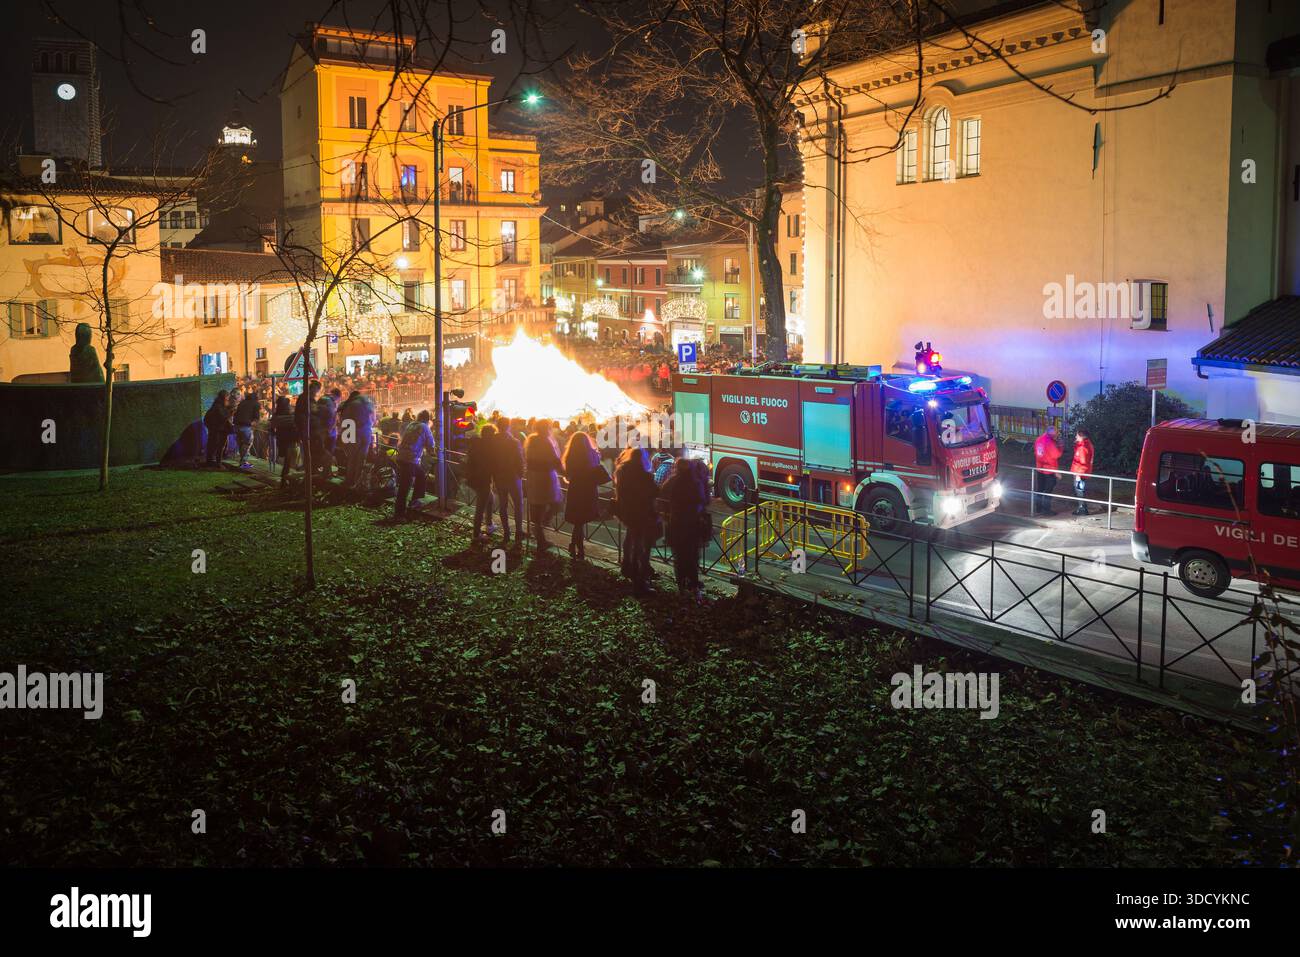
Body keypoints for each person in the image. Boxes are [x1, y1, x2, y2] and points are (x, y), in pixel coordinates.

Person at [613, 446, 659, 596]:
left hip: (626, 511)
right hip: (641, 513)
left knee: (630, 537)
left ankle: (627, 565)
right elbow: (655, 492)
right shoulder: (645, 476)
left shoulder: (622, 472)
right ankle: (639, 579)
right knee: (640, 545)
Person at [660, 457, 708, 594]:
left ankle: (681, 585)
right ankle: (693, 583)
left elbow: (662, 497)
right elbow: (703, 501)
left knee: (679, 556)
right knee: (692, 555)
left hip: (675, 523)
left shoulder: (671, 482)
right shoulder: (695, 482)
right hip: (692, 524)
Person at [562, 431, 609, 560]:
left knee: (578, 521)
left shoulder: (570, 455)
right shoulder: (593, 454)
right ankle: (579, 549)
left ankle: (575, 546)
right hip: (588, 489)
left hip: (576, 489)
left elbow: (567, 474)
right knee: (580, 521)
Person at [525, 431, 563, 549]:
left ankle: (539, 532)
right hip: (545, 479)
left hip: (533, 478)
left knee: (537, 508)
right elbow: (555, 460)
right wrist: (564, 472)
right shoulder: (546, 442)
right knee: (555, 504)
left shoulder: (531, 441)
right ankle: (540, 534)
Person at [394, 410, 435, 519]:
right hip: (410, 459)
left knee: (420, 475)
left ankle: (413, 501)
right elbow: (431, 444)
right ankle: (399, 514)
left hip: (401, 456)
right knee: (405, 486)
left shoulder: (412, 425)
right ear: (427, 419)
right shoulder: (424, 427)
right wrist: (432, 451)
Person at [490, 420, 526, 544]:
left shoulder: (493, 441)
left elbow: (492, 460)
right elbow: (520, 460)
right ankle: (518, 532)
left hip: (499, 477)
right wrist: (521, 474)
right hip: (513, 477)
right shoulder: (514, 442)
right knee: (518, 505)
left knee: (503, 505)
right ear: (508, 426)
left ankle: (506, 532)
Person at [465, 424, 498, 541]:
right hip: (482, 480)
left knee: (490, 499)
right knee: (480, 506)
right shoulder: (488, 447)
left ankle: (489, 524)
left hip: (473, 478)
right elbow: (490, 465)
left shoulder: (477, 443)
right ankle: (476, 534)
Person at [339, 390, 376, 488]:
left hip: (353, 431)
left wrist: (344, 437)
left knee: (352, 458)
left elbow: (345, 421)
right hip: (366, 431)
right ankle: (357, 481)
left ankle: (349, 480)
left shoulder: (350, 404)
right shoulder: (368, 403)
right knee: (361, 458)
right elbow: (374, 419)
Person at [1032, 425, 1062, 516]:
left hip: (1040, 468)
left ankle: (1038, 508)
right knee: (1048, 491)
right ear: (1052, 434)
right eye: (1056, 433)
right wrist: (1060, 446)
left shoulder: (1039, 439)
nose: (1057, 435)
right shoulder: (1050, 442)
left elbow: (1036, 452)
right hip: (1049, 471)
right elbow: (1056, 455)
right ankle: (1047, 510)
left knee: (1040, 489)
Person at [271, 395, 297, 487]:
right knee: (289, 460)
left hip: (281, 439)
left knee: (287, 459)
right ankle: (286, 478)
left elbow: (272, 427)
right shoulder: (291, 414)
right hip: (290, 440)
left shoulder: (276, 415)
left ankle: (285, 478)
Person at [233, 390, 261, 469]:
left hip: (236, 426)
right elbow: (256, 418)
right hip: (246, 426)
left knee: (241, 444)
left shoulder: (242, 403)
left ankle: (242, 461)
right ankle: (243, 462)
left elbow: (236, 414)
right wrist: (253, 424)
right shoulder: (255, 404)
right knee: (247, 444)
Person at [1070, 427, 1096, 516]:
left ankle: (1082, 509)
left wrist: (1078, 474)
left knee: (1079, 490)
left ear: (1081, 436)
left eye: (1077, 435)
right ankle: (1081, 508)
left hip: (1080, 473)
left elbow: (1083, 462)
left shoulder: (1083, 447)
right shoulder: (1085, 444)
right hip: (1082, 472)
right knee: (1080, 490)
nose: (1075, 436)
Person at [203, 390, 232, 466]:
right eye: (227, 398)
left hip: (215, 429)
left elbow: (206, 419)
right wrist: (230, 413)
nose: (228, 400)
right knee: (219, 446)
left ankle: (211, 462)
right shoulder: (218, 407)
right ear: (225, 397)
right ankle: (218, 463)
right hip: (219, 430)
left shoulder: (216, 405)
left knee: (213, 445)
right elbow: (223, 417)